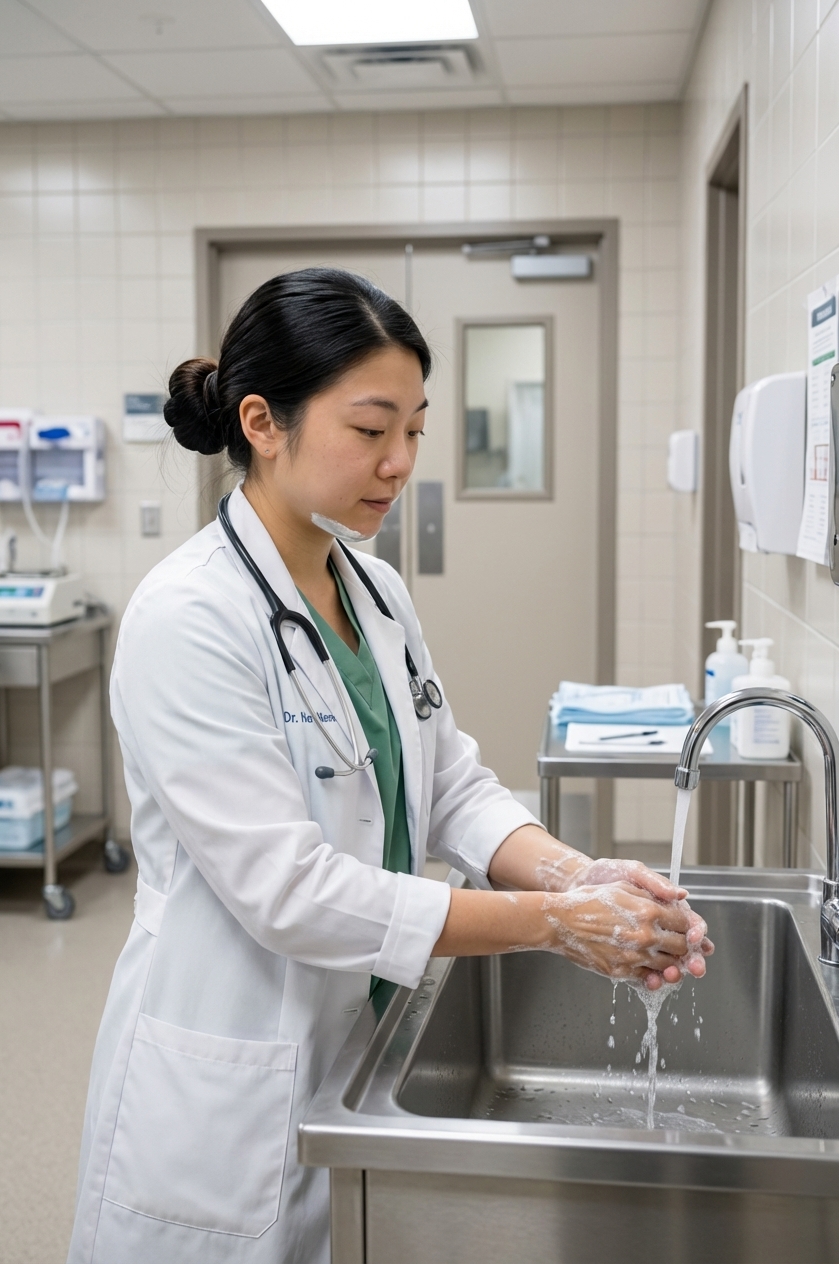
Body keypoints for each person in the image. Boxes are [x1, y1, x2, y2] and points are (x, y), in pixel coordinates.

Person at [68, 268, 712, 1264]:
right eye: (371, 430)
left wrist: (577, 875)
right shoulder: (186, 619)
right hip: (226, 1073)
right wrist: (557, 923)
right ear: (262, 421)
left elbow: (447, 776)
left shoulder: (368, 586)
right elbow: (289, 893)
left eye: (415, 428)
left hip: (352, 1049)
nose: (402, 461)